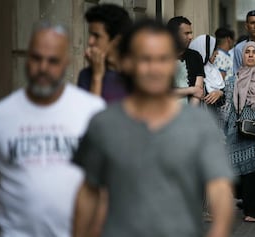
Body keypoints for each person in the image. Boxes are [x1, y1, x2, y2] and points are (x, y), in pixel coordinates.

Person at [72, 20, 234, 237]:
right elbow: (89, 192)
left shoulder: (199, 126)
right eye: (145, 59)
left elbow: (220, 191)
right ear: (128, 63)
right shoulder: (104, 123)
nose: (154, 68)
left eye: (163, 59)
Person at [0, 22, 105, 237]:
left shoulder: (90, 111)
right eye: (36, 58)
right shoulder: (0, 116)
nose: (43, 68)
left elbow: (103, 187)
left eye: (53, 61)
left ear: (67, 62)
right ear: (27, 58)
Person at [224, 41, 255, 222]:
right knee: (237, 172)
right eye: (247, 52)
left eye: (254, 52)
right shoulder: (233, 79)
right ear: (241, 56)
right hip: (236, 131)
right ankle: (247, 206)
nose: (250, 55)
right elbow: (227, 108)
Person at [77, 4, 132, 103]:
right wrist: (97, 77)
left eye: (96, 36)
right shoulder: (86, 75)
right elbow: (89, 116)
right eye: (90, 35)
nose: (90, 41)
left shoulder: (136, 74)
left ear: (117, 40)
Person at [167, 16, 205, 105]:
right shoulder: (161, 57)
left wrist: (190, 113)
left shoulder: (195, 56)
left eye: (191, 33)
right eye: (186, 33)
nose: (191, 37)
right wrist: (191, 90)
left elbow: (198, 90)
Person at [189, 35, 225, 111]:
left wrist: (220, 93)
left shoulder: (212, 68)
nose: (217, 53)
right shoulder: (193, 71)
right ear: (205, 50)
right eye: (214, 49)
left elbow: (224, 92)